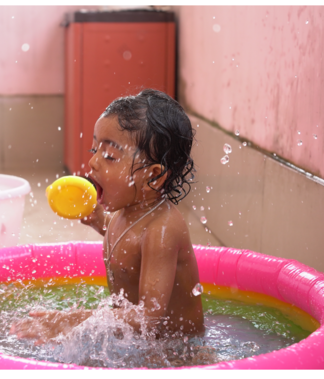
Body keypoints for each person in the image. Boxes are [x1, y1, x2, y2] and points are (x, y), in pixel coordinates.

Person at [11, 89, 203, 344]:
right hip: (138, 342)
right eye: (95, 150)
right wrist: (101, 221)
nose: (93, 163)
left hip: (176, 351)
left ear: (153, 176)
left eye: (110, 156)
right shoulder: (127, 212)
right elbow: (128, 244)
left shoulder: (162, 229)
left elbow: (149, 317)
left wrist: (70, 320)